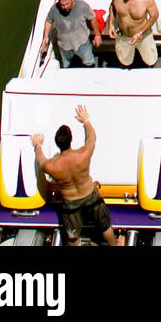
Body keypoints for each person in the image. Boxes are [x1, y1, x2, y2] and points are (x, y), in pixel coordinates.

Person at [31, 105, 123, 247]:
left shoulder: (52, 166)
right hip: (91, 196)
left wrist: (38, 145)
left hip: (71, 204)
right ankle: (114, 245)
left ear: (57, 144)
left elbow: (40, 160)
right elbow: (91, 138)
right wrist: (86, 121)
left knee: (73, 238)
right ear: (71, 140)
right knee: (105, 227)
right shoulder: (83, 155)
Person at [107, 0, 159, 68]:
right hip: (123, 35)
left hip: (143, 36)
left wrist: (140, 33)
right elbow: (112, 7)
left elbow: (154, 16)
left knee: (151, 60)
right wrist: (111, 25)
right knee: (125, 62)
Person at [39, 0, 101, 69]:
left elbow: (92, 18)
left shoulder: (82, 6)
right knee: (67, 67)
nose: (64, 7)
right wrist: (45, 37)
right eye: (62, 5)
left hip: (82, 43)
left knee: (89, 62)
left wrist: (97, 35)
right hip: (64, 47)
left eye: (67, 4)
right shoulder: (54, 9)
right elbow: (49, 21)